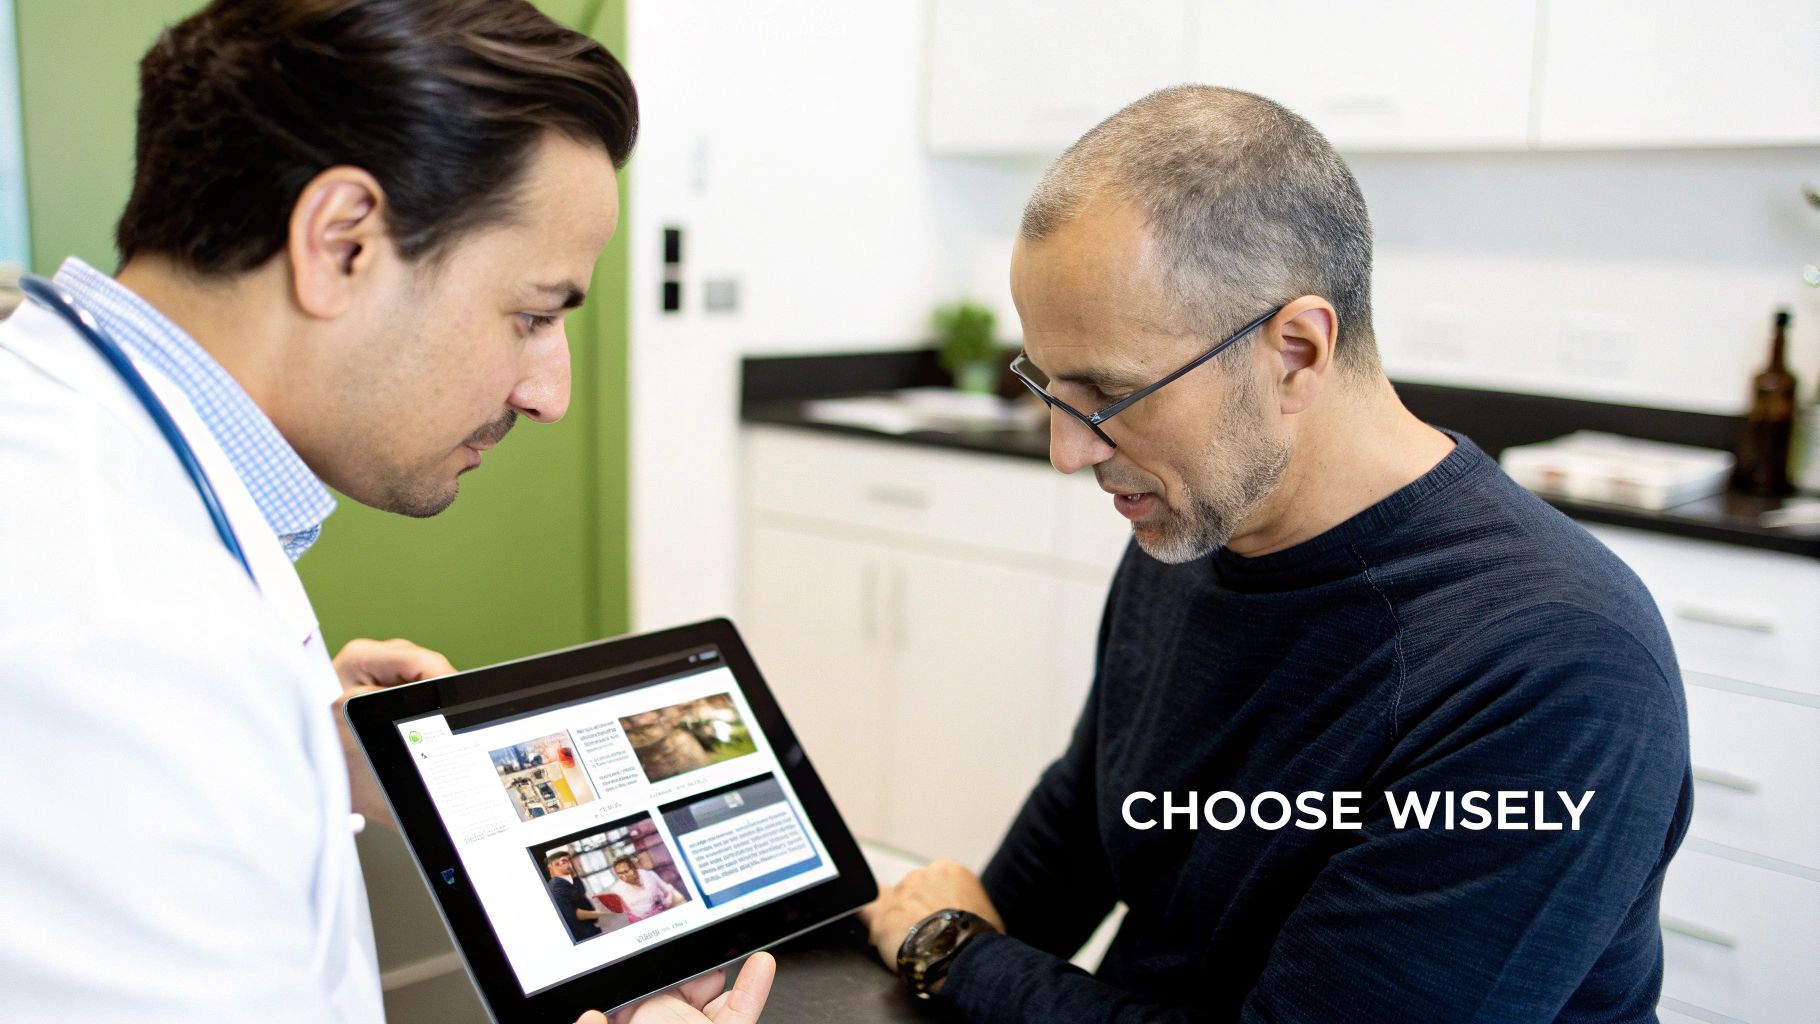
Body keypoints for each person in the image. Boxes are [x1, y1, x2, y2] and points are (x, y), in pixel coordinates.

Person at [0, 2, 771, 1021]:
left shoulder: (77, 440)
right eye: (533, 315)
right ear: (343, 241)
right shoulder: (119, 633)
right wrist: (225, 729)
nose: (552, 393)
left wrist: (299, 752)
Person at [860, 85, 1691, 1022]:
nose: (1067, 449)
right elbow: (1095, 815)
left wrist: (959, 958)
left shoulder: (1554, 668)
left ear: (1295, 351)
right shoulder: (1194, 524)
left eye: (1108, 393)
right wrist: (928, 942)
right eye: (1048, 384)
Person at [547, 852, 612, 942]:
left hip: (593, 927)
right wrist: (605, 915)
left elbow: (581, 897)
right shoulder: (557, 885)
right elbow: (576, 914)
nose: (578, 864)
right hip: (584, 934)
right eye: (571, 862)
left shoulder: (573, 879)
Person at [607, 856, 687, 920]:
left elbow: (668, 889)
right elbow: (620, 914)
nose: (623, 876)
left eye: (626, 871)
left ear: (634, 868)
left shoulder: (648, 874)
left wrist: (668, 901)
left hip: (666, 913)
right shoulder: (616, 890)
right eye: (619, 873)